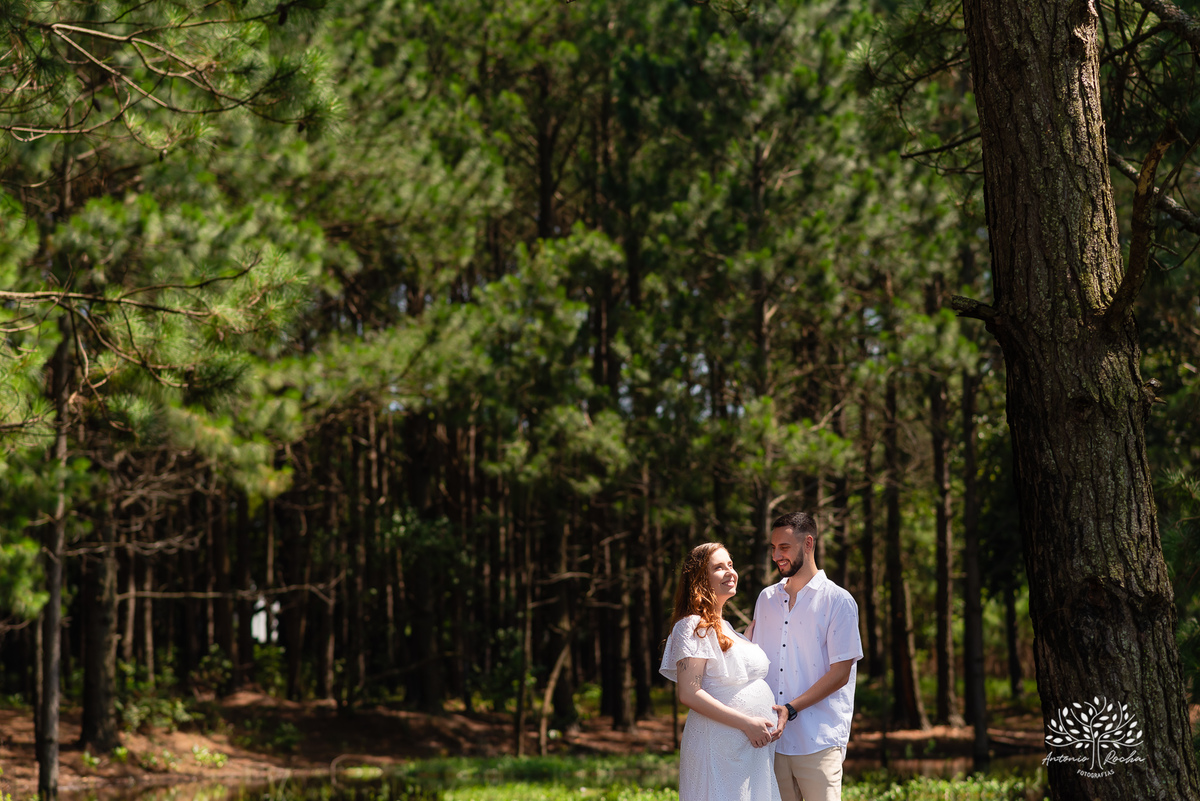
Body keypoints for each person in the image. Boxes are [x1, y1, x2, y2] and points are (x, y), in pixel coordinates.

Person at [660, 542, 787, 801]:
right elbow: (689, 693)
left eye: (731, 564)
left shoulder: (730, 629)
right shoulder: (692, 625)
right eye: (719, 567)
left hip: (750, 749)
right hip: (718, 744)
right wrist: (747, 723)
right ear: (699, 579)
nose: (730, 572)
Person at [750, 512, 863, 801]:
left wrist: (790, 708)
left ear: (808, 543)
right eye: (773, 548)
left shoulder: (838, 601)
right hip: (772, 744)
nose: (777, 555)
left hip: (820, 741)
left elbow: (840, 674)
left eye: (784, 547)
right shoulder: (766, 600)